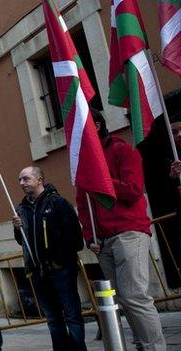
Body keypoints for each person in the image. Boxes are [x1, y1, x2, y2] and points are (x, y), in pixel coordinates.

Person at [77, 111, 166, 351]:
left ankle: (154, 347)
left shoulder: (123, 151)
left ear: (96, 126)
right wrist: (89, 237)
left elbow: (134, 190)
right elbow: (83, 204)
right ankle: (140, 344)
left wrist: (101, 179)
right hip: (103, 240)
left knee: (134, 296)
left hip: (129, 232)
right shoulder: (84, 164)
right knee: (122, 301)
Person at [13, 166, 86, 351]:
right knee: (53, 319)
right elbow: (23, 242)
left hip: (61, 270)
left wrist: (58, 261)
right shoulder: (21, 209)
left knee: (72, 316)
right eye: (20, 180)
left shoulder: (58, 203)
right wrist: (17, 228)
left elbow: (75, 237)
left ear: (39, 179)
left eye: (26, 179)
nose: (22, 183)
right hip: (38, 273)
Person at [139, 111, 181, 289]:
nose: (178, 135)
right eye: (174, 132)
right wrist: (171, 177)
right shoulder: (165, 157)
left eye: (180, 130)